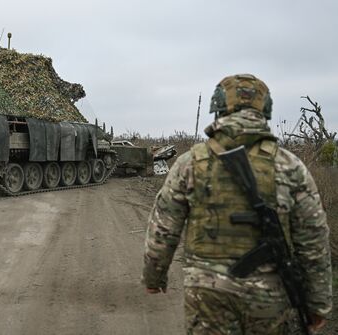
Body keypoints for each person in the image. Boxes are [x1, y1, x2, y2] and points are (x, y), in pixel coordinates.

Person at [142, 74, 332, 334]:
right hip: (270, 296)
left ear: (218, 109)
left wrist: (154, 276)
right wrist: (318, 303)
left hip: (208, 295)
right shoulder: (289, 166)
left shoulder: (190, 163)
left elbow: (163, 227)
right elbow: (313, 239)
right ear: (264, 111)